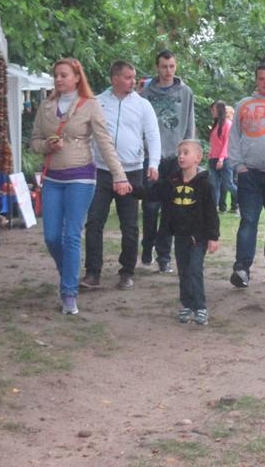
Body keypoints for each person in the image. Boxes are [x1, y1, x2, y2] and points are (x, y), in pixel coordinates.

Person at [30, 58, 131, 315]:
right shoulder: (46, 106)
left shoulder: (90, 105)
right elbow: (34, 142)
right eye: (56, 75)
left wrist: (119, 175)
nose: (58, 79)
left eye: (64, 75)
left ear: (76, 78)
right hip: (53, 178)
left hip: (81, 177)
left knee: (72, 235)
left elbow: (104, 142)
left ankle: (69, 294)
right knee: (51, 236)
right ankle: (69, 273)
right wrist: (47, 145)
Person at [82, 60, 161, 290]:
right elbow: (86, 134)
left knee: (129, 224)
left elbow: (152, 134)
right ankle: (92, 272)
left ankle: (127, 271)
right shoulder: (97, 102)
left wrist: (153, 163)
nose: (133, 81)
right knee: (94, 221)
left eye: (134, 77)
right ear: (114, 79)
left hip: (132, 170)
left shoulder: (143, 105)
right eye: (128, 77)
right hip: (101, 170)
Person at [136, 140, 219, 325]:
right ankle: (187, 304)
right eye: (179, 153)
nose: (181, 156)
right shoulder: (171, 182)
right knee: (183, 271)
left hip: (199, 237)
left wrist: (213, 237)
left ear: (198, 158)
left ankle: (200, 307)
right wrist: (130, 189)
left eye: (186, 152)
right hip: (180, 236)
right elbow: (152, 194)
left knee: (195, 269)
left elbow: (211, 212)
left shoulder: (205, 184)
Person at [227, 62, 265, 287]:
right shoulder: (244, 104)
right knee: (248, 220)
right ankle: (241, 269)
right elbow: (234, 136)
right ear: (256, 80)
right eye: (262, 78)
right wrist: (238, 165)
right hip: (250, 174)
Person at [139, 50, 195, 273]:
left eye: (172, 66)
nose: (168, 71)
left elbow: (190, 123)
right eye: (164, 66)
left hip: (175, 157)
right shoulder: (145, 94)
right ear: (157, 67)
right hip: (151, 158)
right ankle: (147, 245)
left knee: (171, 208)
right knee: (150, 207)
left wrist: (189, 152)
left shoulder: (185, 92)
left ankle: (164, 255)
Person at [207, 101, 237, 212]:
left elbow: (227, 143)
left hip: (224, 159)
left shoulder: (227, 124)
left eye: (213, 110)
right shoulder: (216, 125)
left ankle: (244, 199)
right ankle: (213, 208)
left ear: (219, 110)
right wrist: (210, 154)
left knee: (228, 184)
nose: (212, 112)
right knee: (214, 184)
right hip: (213, 159)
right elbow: (215, 142)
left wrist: (221, 159)